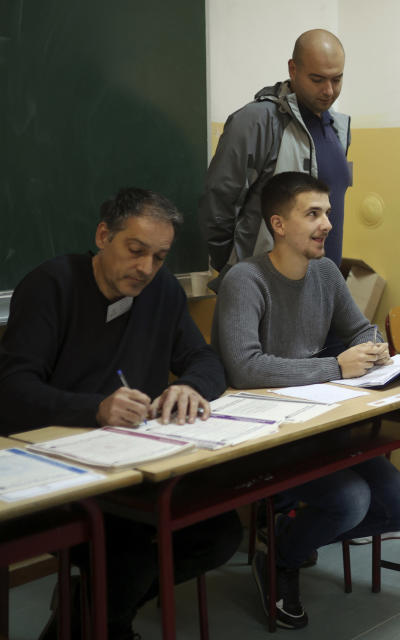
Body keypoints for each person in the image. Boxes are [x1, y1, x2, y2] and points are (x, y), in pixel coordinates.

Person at [0, 188, 242, 639]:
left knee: (219, 531)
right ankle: (101, 622)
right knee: (128, 556)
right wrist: (95, 407)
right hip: (58, 468)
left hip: (137, 466)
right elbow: (12, 393)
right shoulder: (51, 285)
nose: (146, 269)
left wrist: (189, 386)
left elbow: (206, 361)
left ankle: (88, 614)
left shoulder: (163, 291)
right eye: (136, 251)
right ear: (103, 235)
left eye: (159, 257)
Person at [213, 171, 400, 630]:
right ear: (279, 224)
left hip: (321, 426)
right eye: (313, 214)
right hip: (265, 437)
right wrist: (336, 367)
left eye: (327, 212)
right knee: (351, 499)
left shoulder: (326, 272)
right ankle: (280, 560)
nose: (327, 223)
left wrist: (373, 344)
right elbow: (244, 368)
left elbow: (358, 327)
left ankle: (288, 538)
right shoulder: (244, 280)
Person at [200, 29, 351, 288]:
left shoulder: (339, 127)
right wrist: (232, 266)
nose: (328, 91)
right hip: (264, 286)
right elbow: (218, 202)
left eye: (336, 80)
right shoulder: (256, 122)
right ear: (293, 69)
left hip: (320, 286)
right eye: (317, 79)